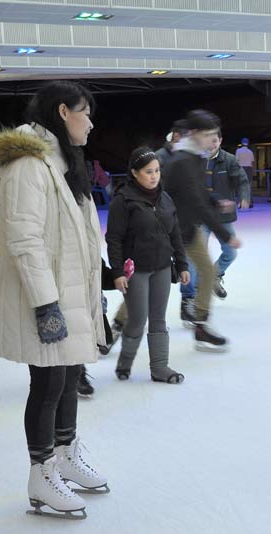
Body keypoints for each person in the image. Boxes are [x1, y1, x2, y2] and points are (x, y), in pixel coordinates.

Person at [0, 80, 108, 519]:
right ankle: (41, 473)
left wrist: (97, 285)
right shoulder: (30, 164)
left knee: (70, 376)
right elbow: (25, 238)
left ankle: (65, 453)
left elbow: (80, 232)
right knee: (48, 383)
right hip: (46, 294)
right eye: (86, 112)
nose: (90, 122)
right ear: (64, 111)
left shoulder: (64, 160)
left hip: (69, 288)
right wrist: (46, 304)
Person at [106, 147, 190, 383]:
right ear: (134, 173)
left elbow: (175, 235)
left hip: (162, 266)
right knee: (137, 319)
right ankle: (124, 362)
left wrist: (182, 264)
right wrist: (117, 272)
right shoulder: (123, 201)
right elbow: (114, 239)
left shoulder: (165, 199)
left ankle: (159, 367)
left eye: (157, 171)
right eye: (148, 171)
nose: (154, 176)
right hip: (136, 270)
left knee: (158, 319)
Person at [163, 109, 243, 352]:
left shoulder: (195, 156)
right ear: (195, 133)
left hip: (188, 227)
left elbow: (197, 194)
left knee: (207, 272)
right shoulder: (183, 160)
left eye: (215, 135)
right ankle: (117, 326)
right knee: (151, 282)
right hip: (166, 229)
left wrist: (215, 200)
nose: (212, 140)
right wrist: (226, 234)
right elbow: (194, 200)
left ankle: (200, 325)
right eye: (208, 135)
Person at [203, 130, 248, 300]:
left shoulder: (229, 160)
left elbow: (242, 181)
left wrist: (244, 196)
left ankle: (214, 276)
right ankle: (191, 296)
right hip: (201, 216)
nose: (212, 144)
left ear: (220, 141)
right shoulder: (196, 161)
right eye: (209, 140)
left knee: (231, 253)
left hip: (222, 216)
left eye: (215, 140)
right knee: (196, 258)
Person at [235, 137, 255, 207]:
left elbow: (236, 161)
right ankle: (250, 202)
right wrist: (253, 171)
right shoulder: (250, 152)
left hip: (241, 168)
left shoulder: (238, 151)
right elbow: (252, 163)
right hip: (249, 169)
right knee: (249, 186)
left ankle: (241, 203)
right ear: (248, 143)